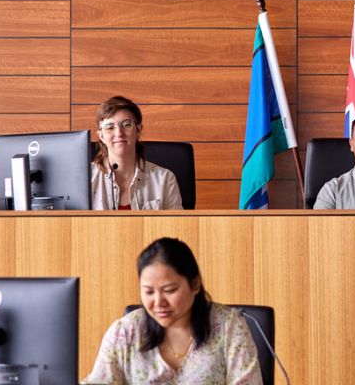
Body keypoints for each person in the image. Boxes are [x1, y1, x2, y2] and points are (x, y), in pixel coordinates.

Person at [83, 237, 263, 384]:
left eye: (169, 290)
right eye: (149, 292)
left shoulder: (229, 327)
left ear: (195, 284)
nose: (158, 302)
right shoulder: (124, 332)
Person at [91, 96, 183, 210]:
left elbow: (176, 226)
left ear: (138, 130)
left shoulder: (164, 179)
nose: (119, 133)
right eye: (110, 127)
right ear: (101, 136)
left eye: (126, 125)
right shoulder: (86, 180)